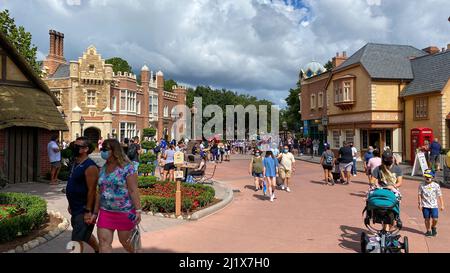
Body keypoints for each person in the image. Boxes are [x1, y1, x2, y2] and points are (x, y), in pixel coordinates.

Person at [95, 138, 141, 253]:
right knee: (103, 243)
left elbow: (133, 190)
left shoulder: (127, 168)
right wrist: (95, 212)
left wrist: (138, 210)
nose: (103, 152)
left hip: (125, 212)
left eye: (106, 149)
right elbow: (99, 191)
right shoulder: (103, 168)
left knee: (126, 243)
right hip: (105, 212)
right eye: (102, 149)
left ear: (114, 151)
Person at [65, 136, 99, 253]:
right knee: (85, 235)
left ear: (86, 149)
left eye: (78, 146)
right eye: (75, 145)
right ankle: (98, 250)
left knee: (75, 240)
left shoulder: (90, 166)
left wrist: (88, 211)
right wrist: (70, 204)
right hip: (75, 207)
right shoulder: (75, 163)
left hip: (83, 209)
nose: (75, 148)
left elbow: (92, 190)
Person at [371, 150, 404, 229]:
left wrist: (393, 186)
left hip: (393, 191)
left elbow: (400, 182)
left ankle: (395, 219)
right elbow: (372, 180)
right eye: (386, 159)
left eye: (389, 159)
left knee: (393, 210)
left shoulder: (397, 169)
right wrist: (374, 184)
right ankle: (383, 227)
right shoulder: (378, 169)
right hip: (381, 190)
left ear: (392, 158)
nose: (388, 161)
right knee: (381, 210)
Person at [418, 169, 445, 237]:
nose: (427, 178)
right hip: (425, 205)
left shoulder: (436, 185)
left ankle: (433, 227)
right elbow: (419, 194)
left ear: (432, 177)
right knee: (427, 219)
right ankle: (428, 231)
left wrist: (442, 205)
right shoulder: (421, 185)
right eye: (426, 176)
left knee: (435, 219)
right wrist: (419, 203)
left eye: (429, 177)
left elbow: (440, 195)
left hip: (434, 205)